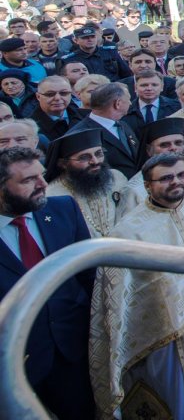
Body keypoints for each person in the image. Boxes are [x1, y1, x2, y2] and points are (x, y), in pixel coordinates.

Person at [91, 151, 184, 419]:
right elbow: (122, 297)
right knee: (179, 403)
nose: (176, 182)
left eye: (182, 174)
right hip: (168, 333)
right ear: (147, 186)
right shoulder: (129, 231)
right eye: (166, 178)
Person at [0, 145, 96, 419]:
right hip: (13, 362)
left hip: (71, 350)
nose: (43, 184)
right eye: (29, 180)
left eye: (41, 175)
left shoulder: (64, 209)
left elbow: (89, 275)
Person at [44, 127, 129, 236]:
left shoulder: (117, 178)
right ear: (63, 164)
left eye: (99, 154)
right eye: (84, 157)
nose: (95, 161)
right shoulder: (52, 195)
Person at [68, 80, 140, 178]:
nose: (130, 103)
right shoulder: (81, 134)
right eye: (128, 99)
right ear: (117, 103)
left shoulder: (123, 125)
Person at [28, 75, 85, 142]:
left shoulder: (85, 116)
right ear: (38, 97)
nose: (57, 98)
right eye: (50, 94)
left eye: (63, 93)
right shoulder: (29, 127)